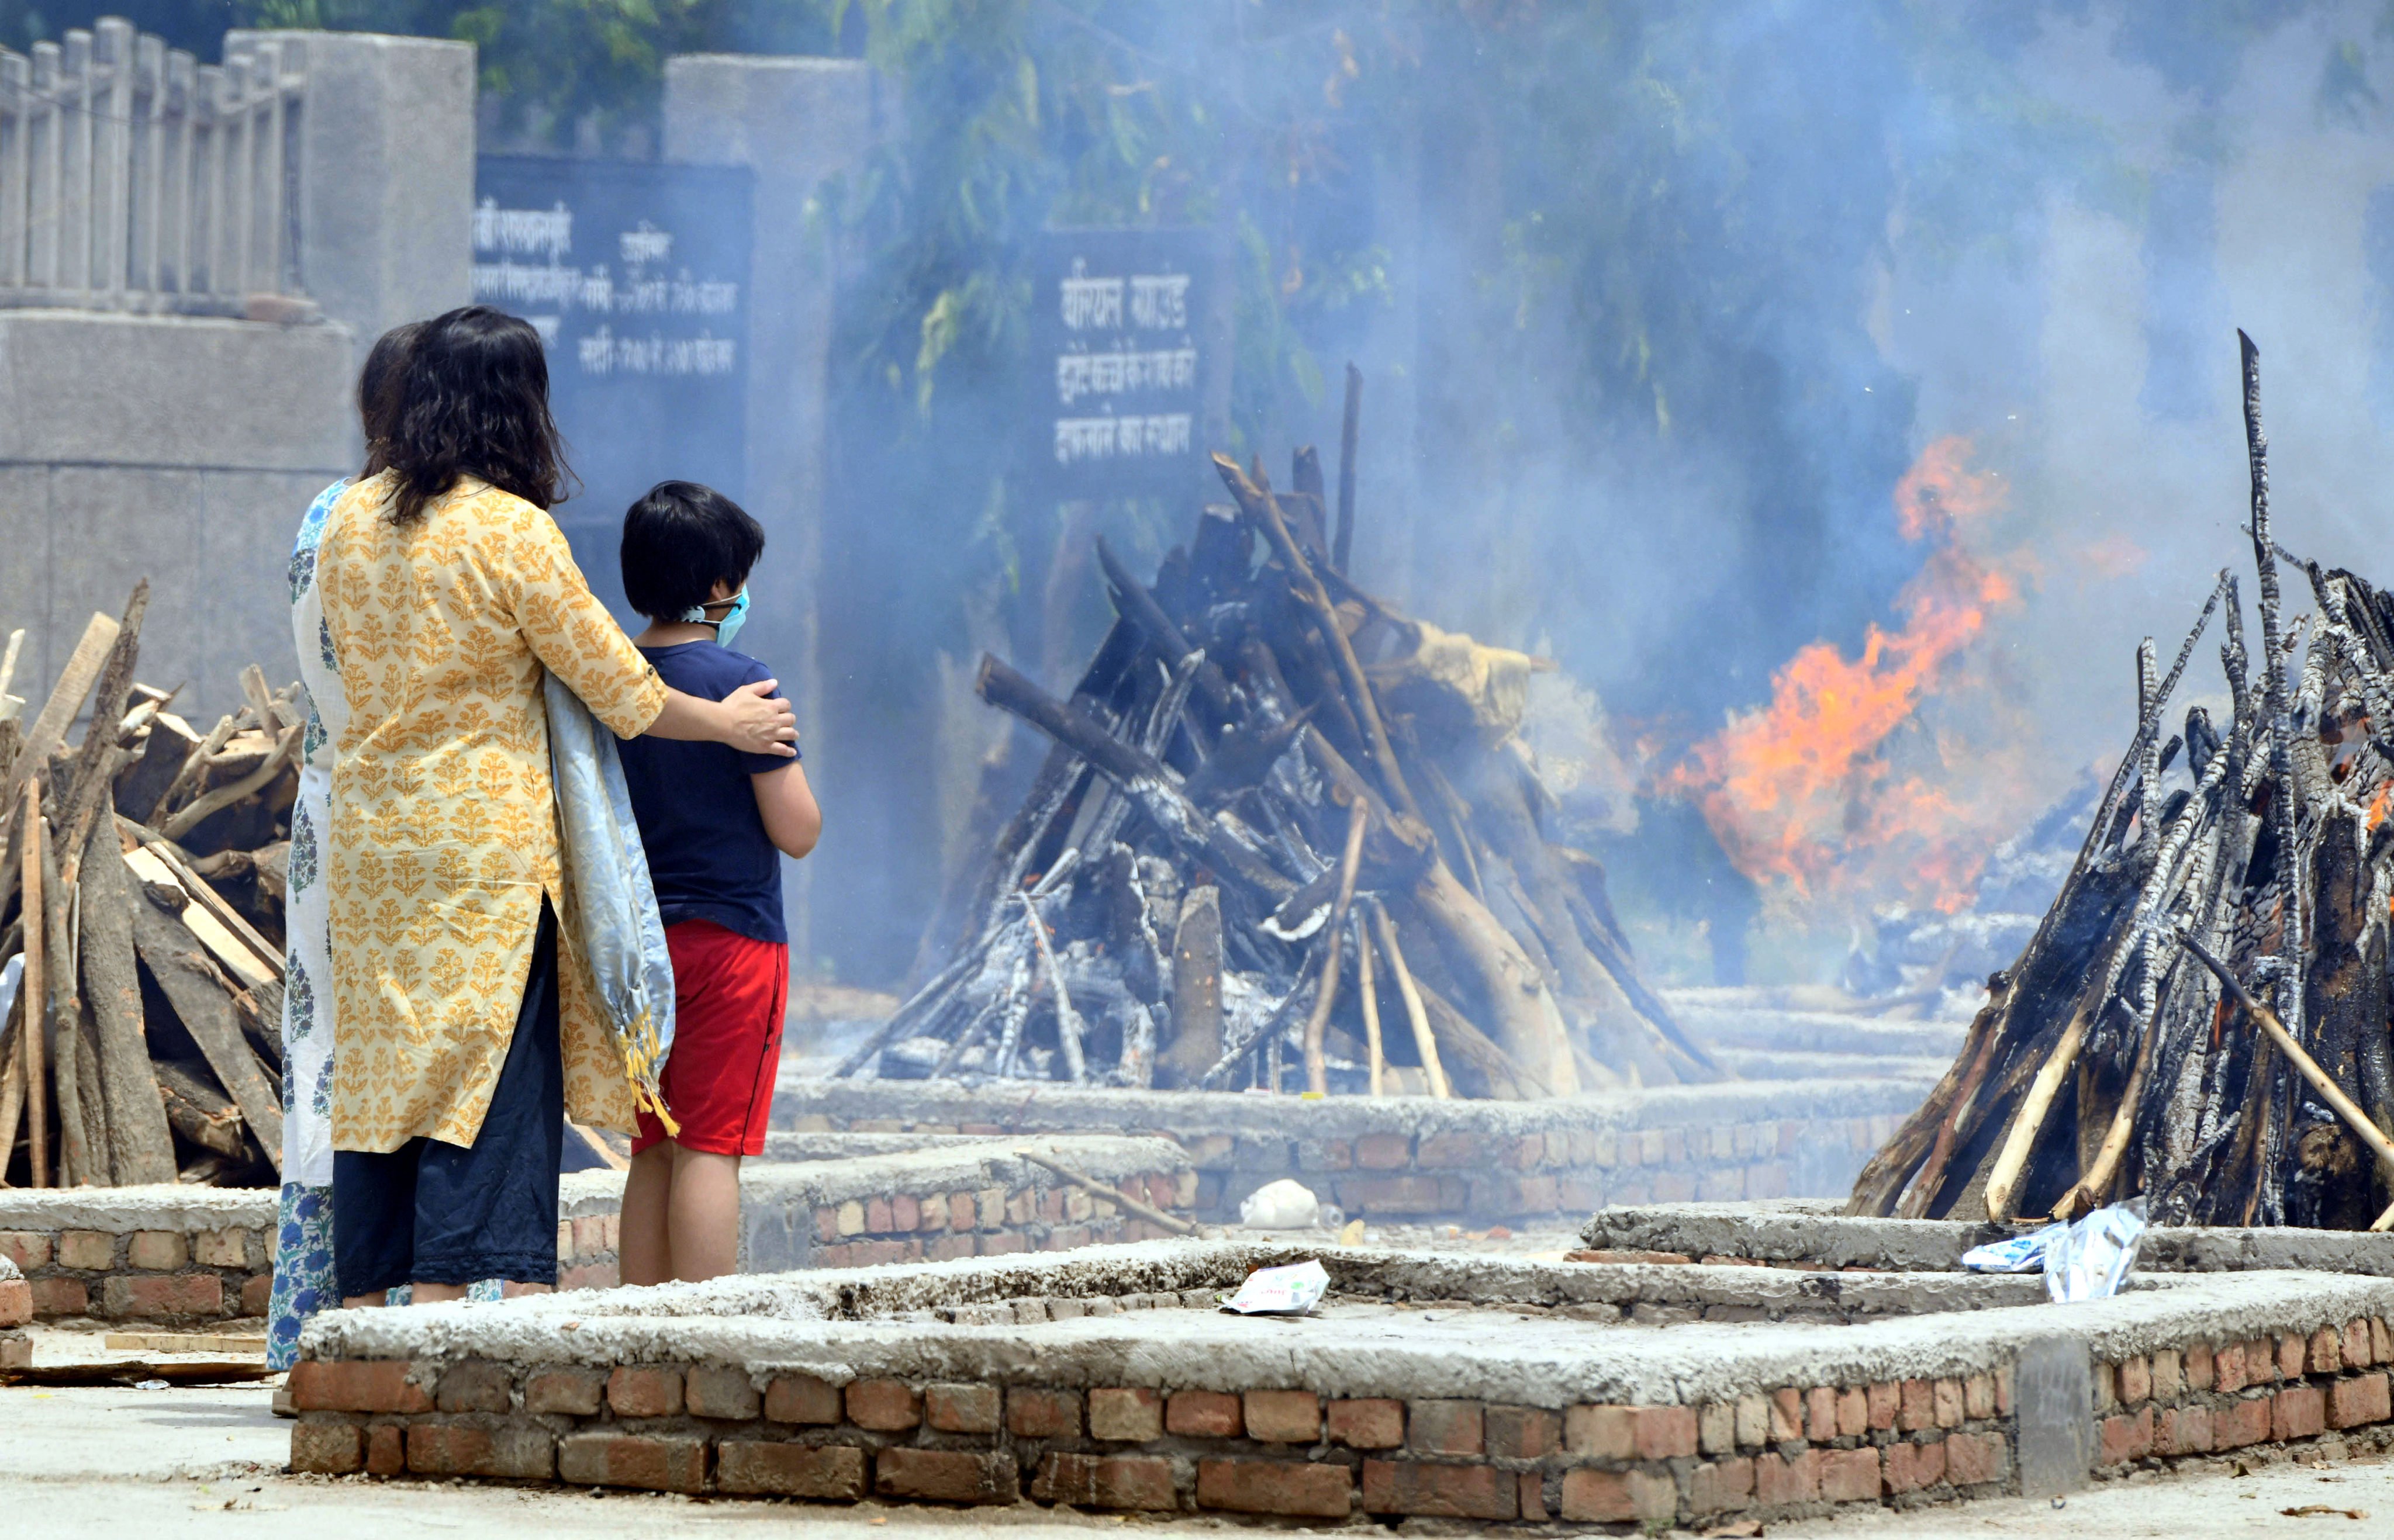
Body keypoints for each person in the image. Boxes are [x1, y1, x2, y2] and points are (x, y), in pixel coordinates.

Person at [313, 305, 797, 1308]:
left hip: (372, 849)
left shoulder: (349, 520)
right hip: (486, 858)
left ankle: (365, 1322)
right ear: (515, 407)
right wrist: (732, 729)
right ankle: (448, 1329)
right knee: (483, 1082)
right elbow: (617, 682)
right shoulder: (512, 530)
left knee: (383, 1087)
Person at [613, 482, 821, 1284]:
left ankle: (633, 1337)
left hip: (637, 947)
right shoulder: (742, 682)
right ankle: (703, 1338)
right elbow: (796, 830)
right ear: (716, 588)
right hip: (734, 946)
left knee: (653, 1148)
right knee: (711, 1149)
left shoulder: (611, 680)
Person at [266, 320, 418, 1368]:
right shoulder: (458, 526)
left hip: (329, 808)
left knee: (322, 1053)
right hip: (421, 815)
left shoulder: (326, 514)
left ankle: (308, 1332)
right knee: (433, 1058)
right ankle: (428, 1307)